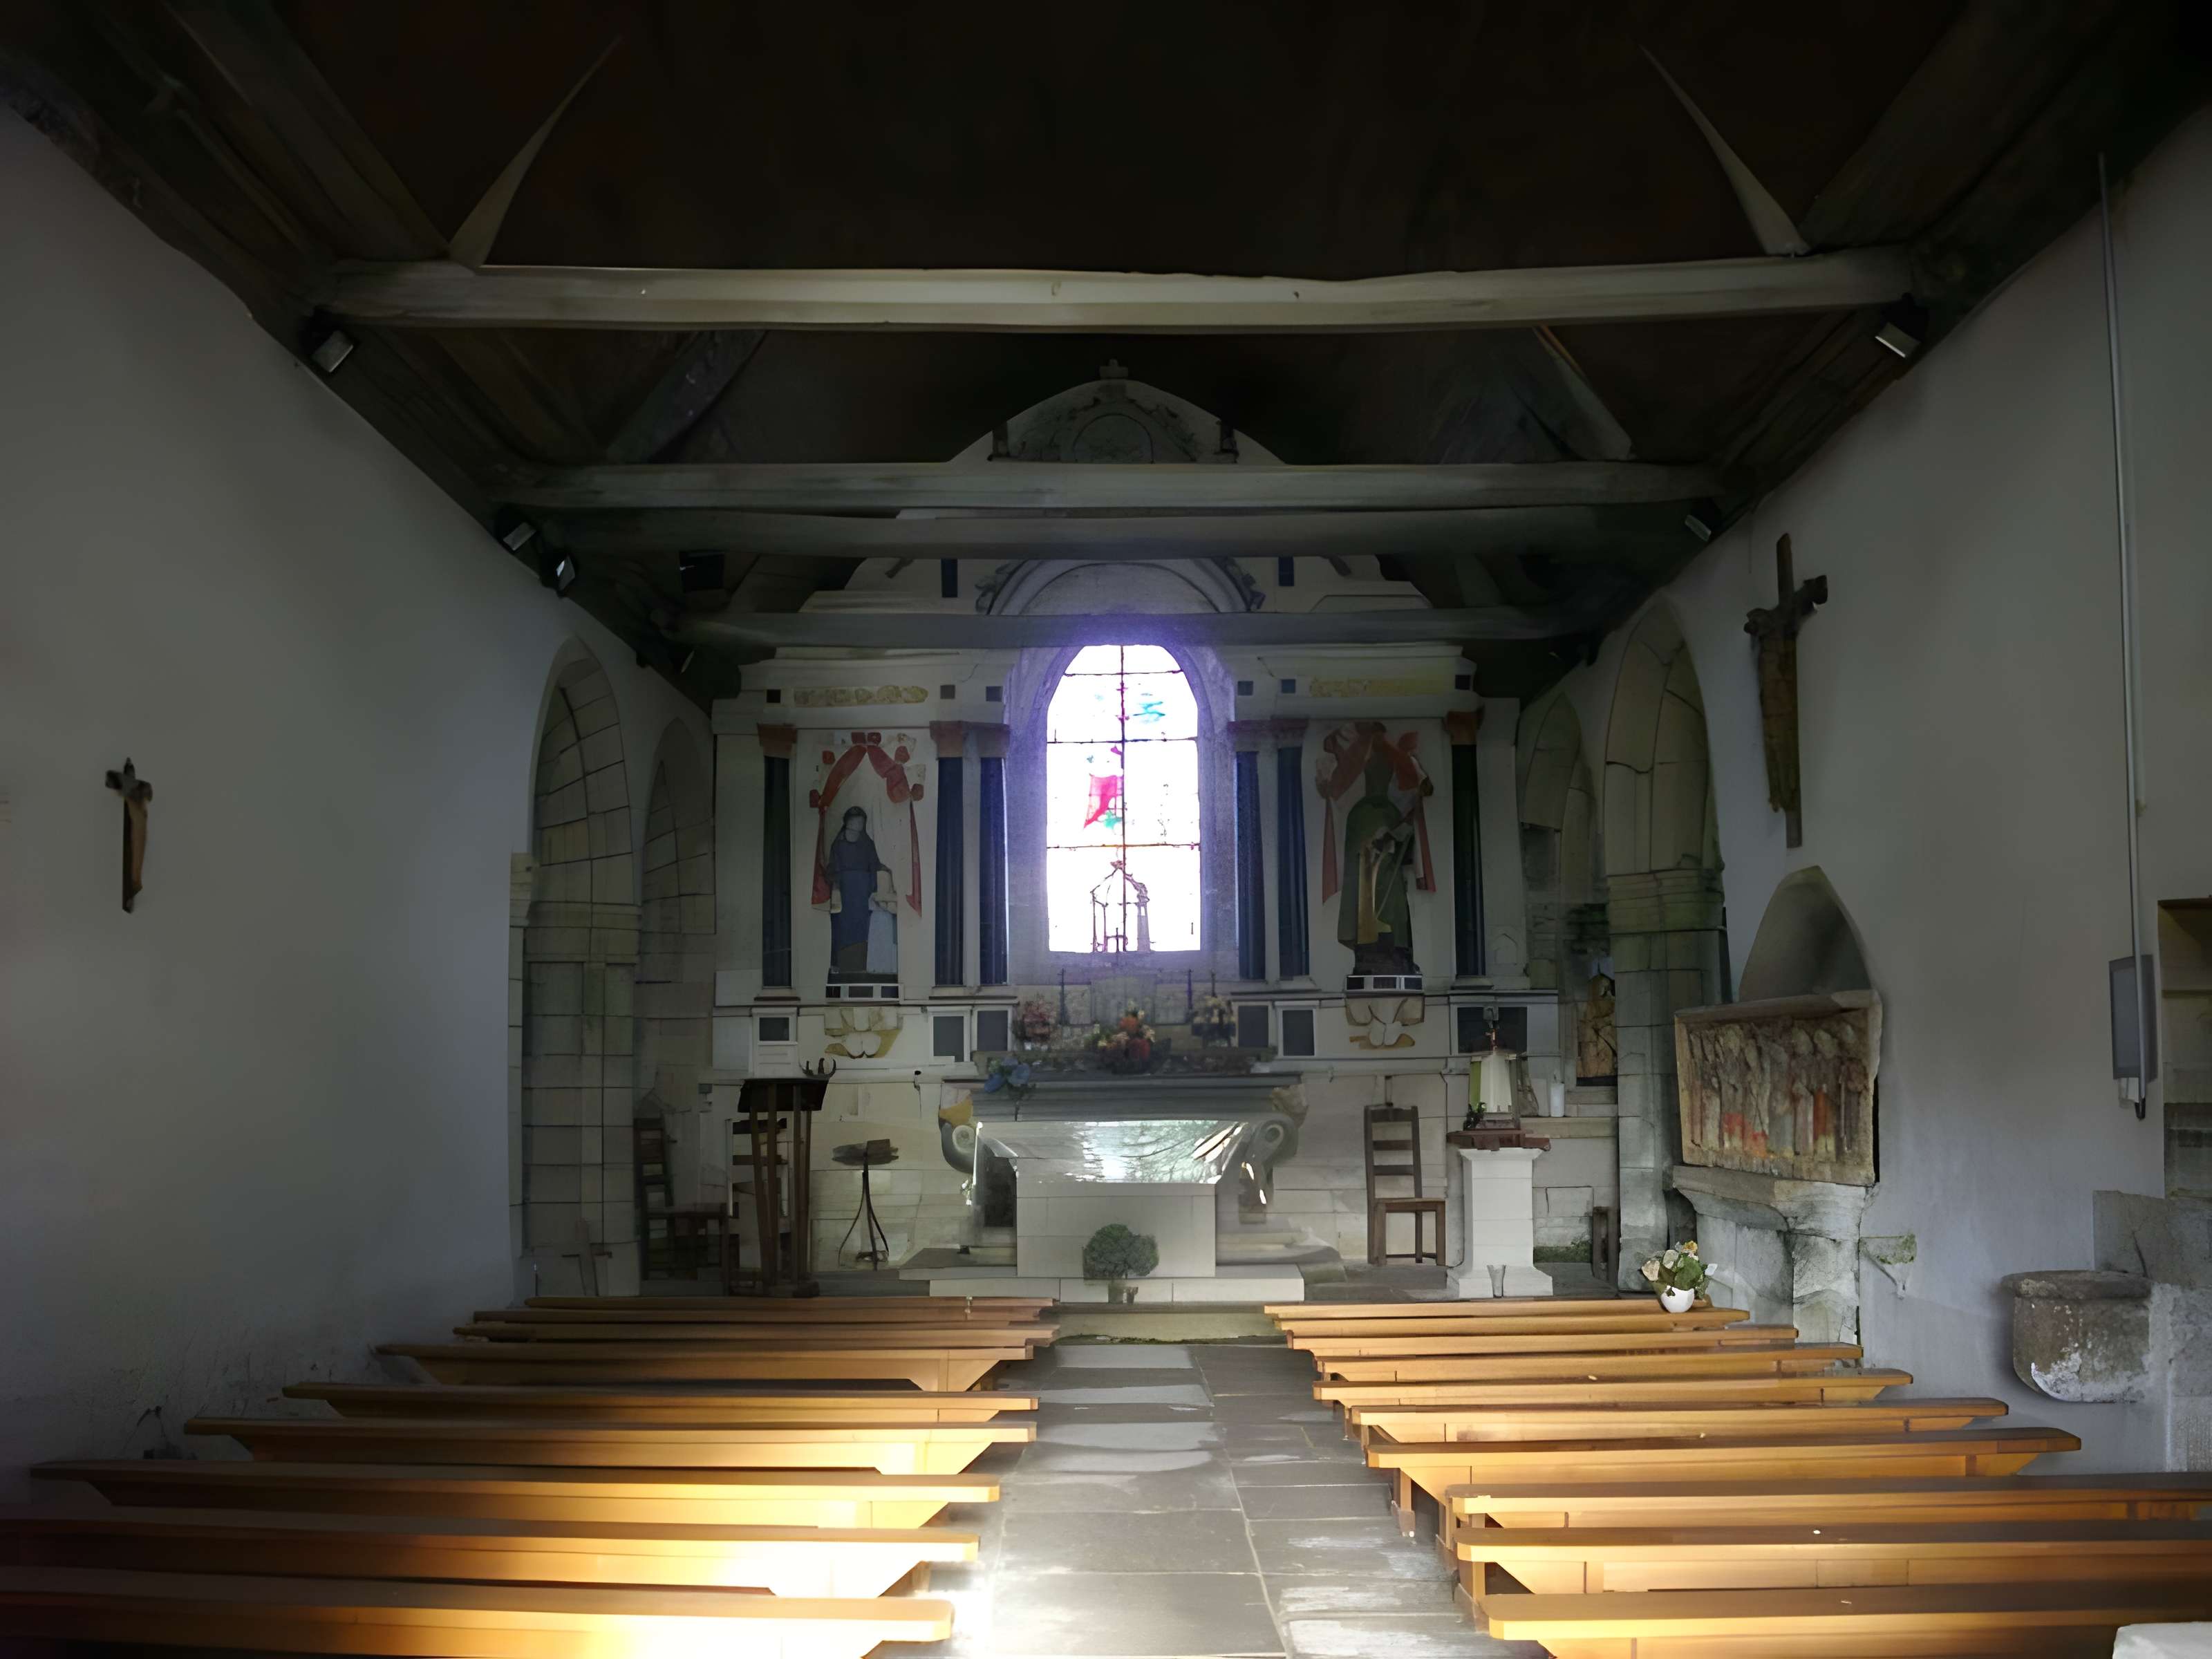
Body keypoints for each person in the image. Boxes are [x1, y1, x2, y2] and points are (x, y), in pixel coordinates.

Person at [823, 806, 895, 978]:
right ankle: (840, 966)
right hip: (845, 892)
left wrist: (884, 871)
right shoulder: (839, 844)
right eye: (856, 820)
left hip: (862, 892)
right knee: (842, 929)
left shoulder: (867, 843)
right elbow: (832, 868)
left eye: (861, 821)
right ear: (848, 822)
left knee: (862, 930)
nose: (859, 823)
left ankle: (858, 967)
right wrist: (838, 881)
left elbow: (874, 863)